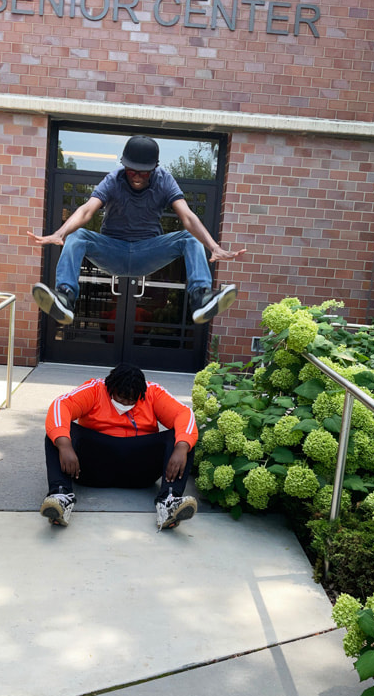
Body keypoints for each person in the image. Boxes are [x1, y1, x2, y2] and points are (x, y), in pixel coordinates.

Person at [28, 135, 246, 326]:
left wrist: (213, 246)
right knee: (77, 236)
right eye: (131, 171)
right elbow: (87, 211)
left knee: (189, 238)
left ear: (154, 168)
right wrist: (60, 233)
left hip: (146, 252)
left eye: (144, 173)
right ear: (124, 166)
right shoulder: (113, 180)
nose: (137, 177)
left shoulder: (164, 181)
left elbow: (187, 216)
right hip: (113, 250)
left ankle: (201, 298)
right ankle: (65, 298)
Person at [41, 363, 199, 531]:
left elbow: (184, 414)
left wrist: (182, 447)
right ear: (110, 388)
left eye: (132, 399)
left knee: (182, 438)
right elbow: (61, 405)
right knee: (59, 432)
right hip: (93, 469)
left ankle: (169, 502)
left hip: (138, 472)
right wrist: (64, 445)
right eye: (121, 397)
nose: (126, 402)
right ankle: (61, 496)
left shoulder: (152, 392)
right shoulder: (95, 389)